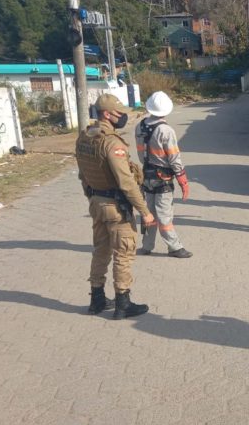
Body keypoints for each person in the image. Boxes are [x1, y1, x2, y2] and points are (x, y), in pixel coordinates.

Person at [75, 93, 154, 319]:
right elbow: (126, 182)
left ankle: (97, 299)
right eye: (119, 113)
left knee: (100, 250)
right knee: (124, 252)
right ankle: (123, 302)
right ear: (107, 114)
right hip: (115, 206)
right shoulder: (111, 143)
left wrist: (91, 197)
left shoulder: (84, 137)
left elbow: (83, 174)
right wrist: (145, 211)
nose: (123, 117)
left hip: (96, 203)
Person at [134, 91, 192, 259]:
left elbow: (140, 154)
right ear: (166, 110)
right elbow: (174, 158)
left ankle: (146, 246)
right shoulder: (166, 130)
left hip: (147, 176)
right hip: (163, 179)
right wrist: (183, 181)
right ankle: (175, 247)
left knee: (149, 213)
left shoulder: (139, 126)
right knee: (164, 215)